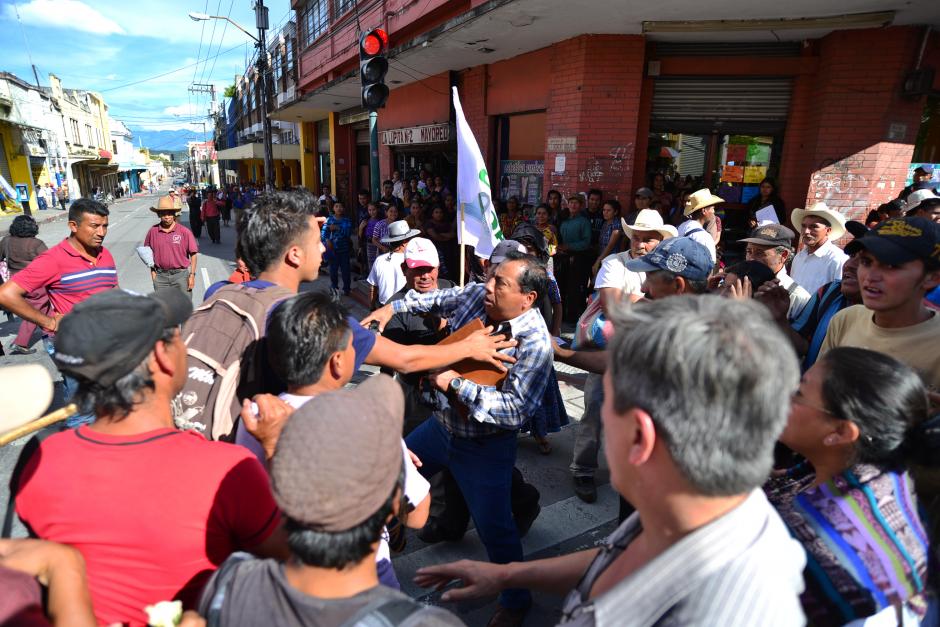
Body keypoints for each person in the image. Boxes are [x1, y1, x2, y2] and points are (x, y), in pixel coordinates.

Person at [416, 295, 807, 627]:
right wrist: (507, 575)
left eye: (609, 404)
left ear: (639, 436)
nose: (599, 418)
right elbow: (624, 556)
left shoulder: (714, 612)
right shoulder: (698, 503)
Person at [12, 289, 287, 626]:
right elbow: (293, 559)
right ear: (162, 356)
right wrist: (274, 447)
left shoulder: (41, 459)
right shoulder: (226, 470)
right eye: (178, 335)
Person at [190, 191, 517, 435]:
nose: (322, 247)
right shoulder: (316, 319)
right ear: (293, 255)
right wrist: (470, 347)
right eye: (317, 240)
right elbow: (404, 359)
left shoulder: (218, 292)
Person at [363, 254, 553, 626]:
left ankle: (516, 600)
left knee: (495, 530)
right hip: (440, 427)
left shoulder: (534, 344)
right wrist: (390, 308)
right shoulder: (475, 298)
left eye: (500, 284)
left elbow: (515, 411)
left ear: (527, 299)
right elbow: (430, 299)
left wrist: (455, 383)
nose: (488, 287)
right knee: (388, 472)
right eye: (490, 277)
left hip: (486, 447)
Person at [198, 376, 462, 627]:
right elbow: (417, 517)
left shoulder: (231, 583)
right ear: (393, 503)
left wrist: (272, 447)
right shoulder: (419, 622)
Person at [236, 294, 431, 591]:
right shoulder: (370, 421)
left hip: (281, 579)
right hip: (363, 579)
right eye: (354, 345)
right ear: (338, 362)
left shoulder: (253, 417)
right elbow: (418, 515)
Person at [766, 348, 937, 626]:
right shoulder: (886, 471)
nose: (784, 397)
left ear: (841, 432)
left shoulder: (799, 543)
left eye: (798, 392)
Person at [568, 210, 677, 502]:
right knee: (594, 410)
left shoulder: (665, 269)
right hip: (608, 351)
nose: (640, 244)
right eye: (636, 238)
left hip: (646, 356)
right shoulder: (613, 263)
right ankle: (582, 470)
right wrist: (654, 303)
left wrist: (633, 300)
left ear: (659, 241)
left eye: (647, 239)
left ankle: (628, 472)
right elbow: (611, 304)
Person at [0, 199, 116, 411]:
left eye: (104, 226)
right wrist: (49, 322)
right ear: (73, 226)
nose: (101, 232)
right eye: (94, 226)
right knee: (84, 408)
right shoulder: (53, 259)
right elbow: (6, 294)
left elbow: (112, 290)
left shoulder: (104, 254)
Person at [738, 223, 810, 319]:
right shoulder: (739, 284)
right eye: (749, 252)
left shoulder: (798, 298)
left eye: (759, 253)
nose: (751, 258)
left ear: (783, 255)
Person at [1, 215, 48, 354]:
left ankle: (54, 330)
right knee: (36, 310)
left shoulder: (6, 241)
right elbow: (50, 262)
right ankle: (21, 342)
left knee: (44, 308)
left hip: (14, 283)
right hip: (35, 283)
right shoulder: (36, 243)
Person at [144, 195, 198, 299]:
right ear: (159, 214)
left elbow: (193, 254)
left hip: (181, 276)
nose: (167, 216)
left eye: (169, 213)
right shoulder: (153, 231)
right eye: (163, 213)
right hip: (160, 277)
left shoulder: (184, 232)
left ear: (174, 214)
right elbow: (147, 253)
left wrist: (192, 275)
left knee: (183, 309)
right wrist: (153, 273)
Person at [790, 203, 848, 296]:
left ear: (828, 231)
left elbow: (839, 297)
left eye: (814, 227)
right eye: (804, 226)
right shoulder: (799, 257)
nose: (806, 231)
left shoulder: (837, 259)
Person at [368, 220, 419, 309]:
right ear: (404, 242)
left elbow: (373, 286)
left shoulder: (379, 260)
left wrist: (372, 307)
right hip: (405, 307)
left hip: (384, 307)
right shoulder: (412, 260)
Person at [558, 194, 593, 321]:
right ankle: (560, 316)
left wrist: (569, 246)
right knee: (561, 286)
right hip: (563, 258)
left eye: (576, 203)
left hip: (578, 258)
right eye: (571, 202)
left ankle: (572, 317)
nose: (573, 205)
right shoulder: (565, 220)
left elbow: (586, 242)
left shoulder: (584, 222)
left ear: (581, 206)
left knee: (573, 288)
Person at [677, 188, 722, 265]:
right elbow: (709, 266)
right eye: (712, 208)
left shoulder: (681, 227)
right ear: (704, 211)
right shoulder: (705, 238)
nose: (714, 212)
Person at [322, 201, 353, 296]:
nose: (339, 208)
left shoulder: (347, 220)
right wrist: (327, 240)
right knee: (333, 271)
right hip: (332, 251)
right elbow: (323, 233)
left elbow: (348, 233)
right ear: (333, 208)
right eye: (336, 206)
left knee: (345, 271)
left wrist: (337, 228)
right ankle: (334, 287)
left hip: (344, 250)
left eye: (341, 206)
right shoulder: (329, 220)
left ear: (343, 209)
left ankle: (347, 288)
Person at [592, 199, 622, 277]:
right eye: (604, 210)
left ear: (615, 212)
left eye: (609, 210)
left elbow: (610, 246)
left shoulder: (617, 224)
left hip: (611, 259)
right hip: (602, 257)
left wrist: (598, 260)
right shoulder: (605, 223)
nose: (605, 212)